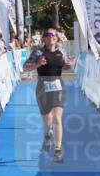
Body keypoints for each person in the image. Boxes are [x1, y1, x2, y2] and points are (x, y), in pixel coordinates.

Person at [23, 28, 74, 162]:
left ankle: (58, 150)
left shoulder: (62, 51)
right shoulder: (38, 52)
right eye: (47, 34)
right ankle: (47, 135)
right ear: (44, 39)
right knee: (47, 120)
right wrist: (37, 64)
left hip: (58, 87)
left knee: (57, 117)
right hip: (42, 87)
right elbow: (25, 68)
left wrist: (68, 65)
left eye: (52, 35)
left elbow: (65, 64)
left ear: (57, 38)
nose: (50, 37)